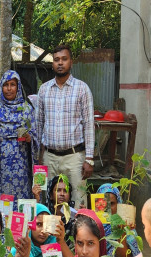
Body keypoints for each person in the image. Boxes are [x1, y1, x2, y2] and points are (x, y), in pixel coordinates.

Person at [35, 44, 95, 208]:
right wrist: (37, 157)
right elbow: (39, 124)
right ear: (52, 63)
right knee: (46, 201)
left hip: (74, 157)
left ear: (71, 62)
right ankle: (49, 234)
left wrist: (89, 159)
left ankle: (76, 233)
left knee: (78, 201)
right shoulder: (44, 90)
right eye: (56, 60)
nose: (60, 63)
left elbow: (89, 125)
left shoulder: (82, 89)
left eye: (64, 59)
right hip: (49, 157)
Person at [0, 70, 38, 200]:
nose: (9, 89)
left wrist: (29, 138)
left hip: (21, 166)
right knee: (0, 198)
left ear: (18, 87)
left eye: (12, 84)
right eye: (6, 85)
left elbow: (36, 136)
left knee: (20, 201)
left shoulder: (26, 110)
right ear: (1, 87)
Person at [96, 183, 141, 257]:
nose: (108, 208)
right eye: (103, 203)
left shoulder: (126, 227)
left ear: (118, 203)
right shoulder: (92, 225)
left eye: (112, 203)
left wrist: (122, 233)